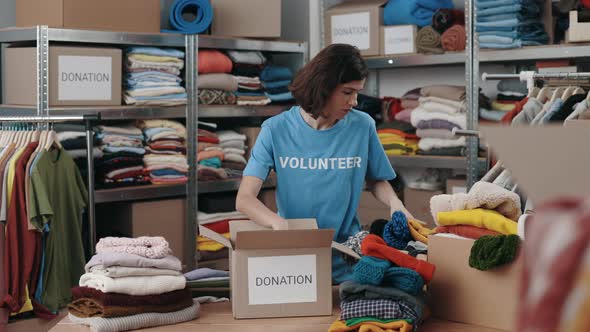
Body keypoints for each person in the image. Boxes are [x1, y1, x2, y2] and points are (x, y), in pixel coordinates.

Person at [236, 43, 413, 283]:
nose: (355, 101)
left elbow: (375, 179)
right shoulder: (275, 129)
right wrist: (278, 224)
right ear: (324, 87)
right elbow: (244, 199)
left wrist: (395, 203)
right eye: (347, 92)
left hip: (348, 261)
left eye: (357, 92)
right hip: (294, 262)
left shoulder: (363, 125)